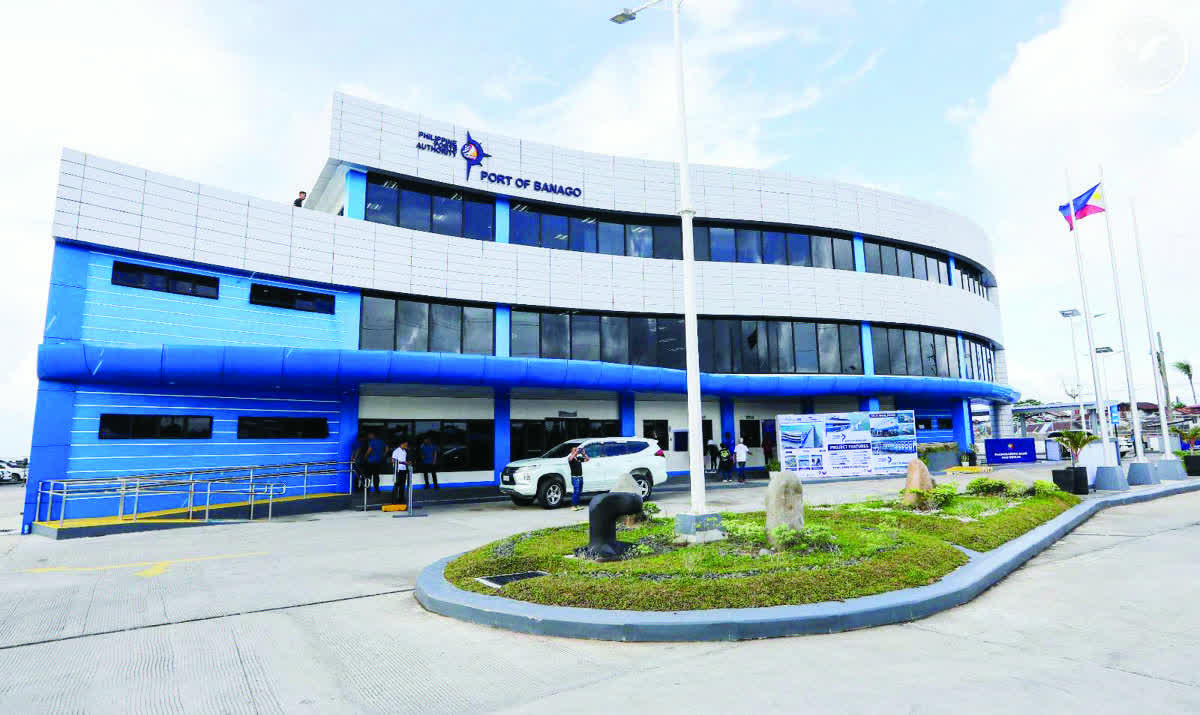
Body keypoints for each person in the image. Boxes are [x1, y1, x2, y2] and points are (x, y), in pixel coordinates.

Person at [567, 444, 588, 510]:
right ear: (571, 452)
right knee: (576, 491)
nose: (576, 451)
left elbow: (587, 459)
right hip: (575, 477)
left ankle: (577, 505)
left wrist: (584, 454)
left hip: (580, 477)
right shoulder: (571, 458)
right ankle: (573, 506)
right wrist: (576, 452)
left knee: (579, 491)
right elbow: (570, 459)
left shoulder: (578, 458)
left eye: (576, 450)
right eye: (574, 450)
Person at [391, 440, 410, 504]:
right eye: (406, 445)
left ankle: (401, 499)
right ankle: (394, 499)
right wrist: (402, 462)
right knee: (396, 484)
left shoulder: (405, 451)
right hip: (397, 470)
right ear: (402, 444)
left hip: (403, 470)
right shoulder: (396, 451)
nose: (406, 446)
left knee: (402, 485)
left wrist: (407, 463)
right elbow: (393, 460)